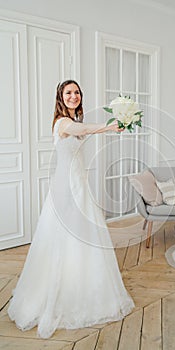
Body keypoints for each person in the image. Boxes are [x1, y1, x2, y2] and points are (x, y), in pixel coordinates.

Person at [8, 80, 134, 339]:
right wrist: (109, 126)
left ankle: (84, 285)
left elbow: (83, 128)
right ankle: (60, 290)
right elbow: (84, 128)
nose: (74, 96)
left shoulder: (74, 120)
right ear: (60, 97)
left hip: (80, 185)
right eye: (68, 93)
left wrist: (116, 124)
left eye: (77, 92)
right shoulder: (62, 123)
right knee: (63, 237)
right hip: (66, 188)